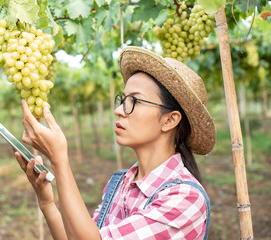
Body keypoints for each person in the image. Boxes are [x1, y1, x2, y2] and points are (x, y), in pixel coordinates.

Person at [14, 46, 216, 239]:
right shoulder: (122, 183)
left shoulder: (185, 198)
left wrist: (59, 161)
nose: (119, 110)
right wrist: (47, 202)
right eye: (123, 99)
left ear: (169, 120)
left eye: (134, 101)